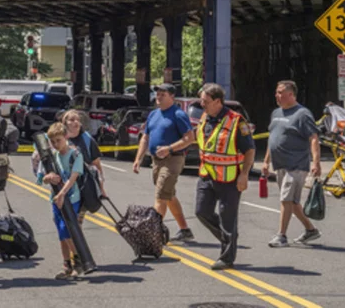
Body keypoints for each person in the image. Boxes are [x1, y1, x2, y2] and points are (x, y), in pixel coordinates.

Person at [194, 83, 255, 270]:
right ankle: (228, 237)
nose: (201, 104)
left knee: (227, 218)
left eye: (205, 101)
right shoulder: (205, 118)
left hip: (229, 178)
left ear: (217, 101)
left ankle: (227, 258)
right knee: (201, 211)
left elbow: (250, 150)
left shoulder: (237, 121)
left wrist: (244, 175)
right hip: (207, 175)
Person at [262, 81, 322, 248]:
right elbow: (272, 138)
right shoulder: (276, 113)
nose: (277, 95)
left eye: (280, 92)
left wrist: (316, 162)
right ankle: (311, 230)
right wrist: (266, 161)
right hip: (280, 165)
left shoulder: (302, 114)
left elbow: (314, 138)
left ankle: (281, 235)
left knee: (286, 199)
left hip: (296, 165)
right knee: (293, 202)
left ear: (291, 95)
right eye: (276, 92)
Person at [133, 83, 195, 243]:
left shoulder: (178, 114)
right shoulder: (154, 114)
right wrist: (138, 158)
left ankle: (153, 232)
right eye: (157, 94)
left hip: (173, 160)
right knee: (168, 195)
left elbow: (189, 138)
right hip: (156, 161)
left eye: (163, 94)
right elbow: (145, 137)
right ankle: (185, 230)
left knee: (161, 195)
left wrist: (169, 148)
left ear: (172, 97)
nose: (158, 97)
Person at [36, 122, 85, 280]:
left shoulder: (75, 154)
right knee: (61, 234)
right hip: (56, 199)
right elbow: (42, 177)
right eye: (53, 142)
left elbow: (73, 177)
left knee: (67, 230)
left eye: (59, 140)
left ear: (66, 137)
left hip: (71, 198)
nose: (56, 144)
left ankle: (79, 262)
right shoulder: (52, 156)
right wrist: (48, 178)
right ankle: (67, 265)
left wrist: (63, 194)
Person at [62, 109, 106, 220]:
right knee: (64, 222)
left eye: (78, 120)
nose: (76, 122)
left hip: (83, 188)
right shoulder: (60, 139)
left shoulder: (87, 139)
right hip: (63, 186)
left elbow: (97, 166)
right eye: (72, 120)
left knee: (76, 222)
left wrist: (101, 189)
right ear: (65, 123)